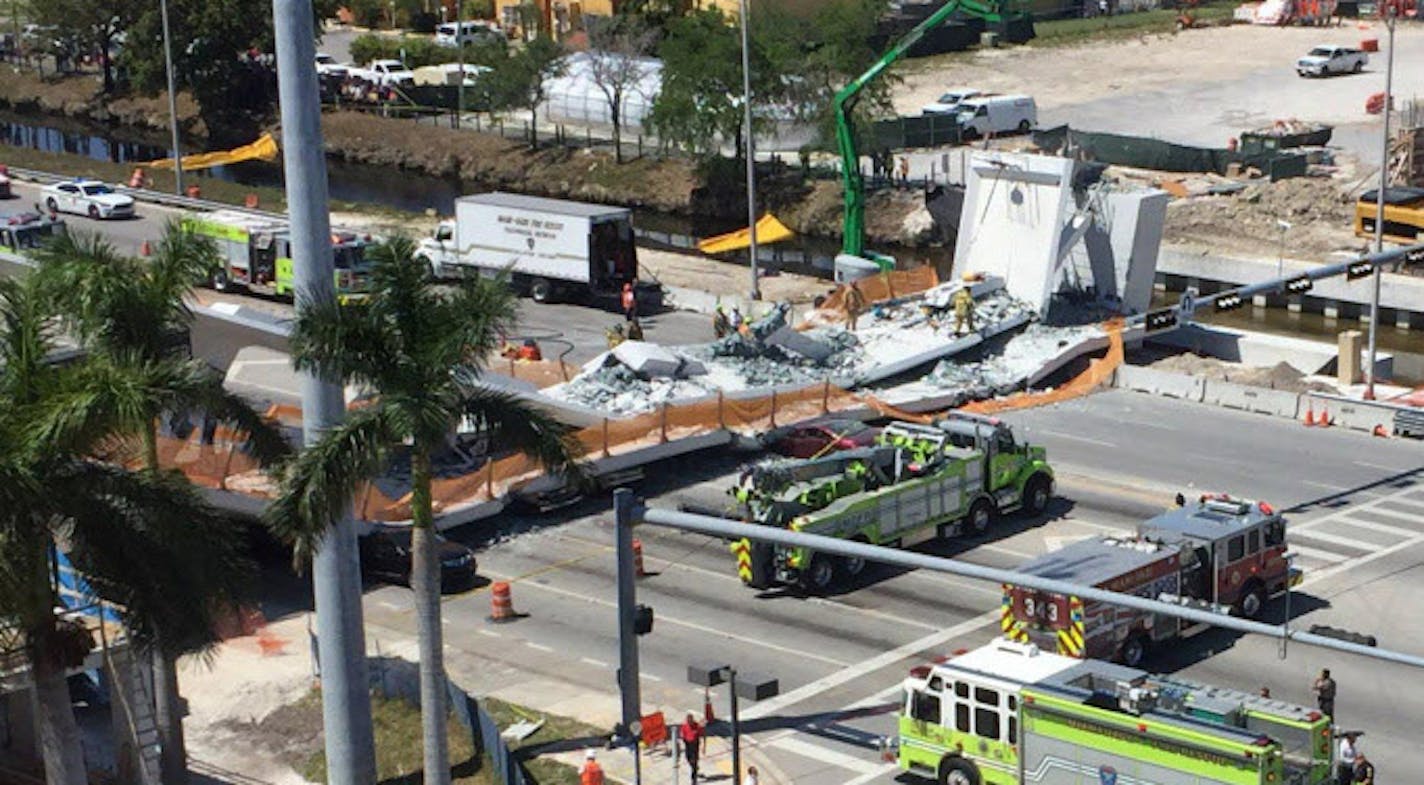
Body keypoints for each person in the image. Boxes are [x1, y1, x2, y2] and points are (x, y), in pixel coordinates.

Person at [680, 714, 703, 782]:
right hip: (688, 744)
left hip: (695, 745)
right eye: (688, 721)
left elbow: (701, 734)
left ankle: (694, 778)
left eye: (691, 721)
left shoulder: (697, 726)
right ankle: (694, 767)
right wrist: (683, 739)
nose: (690, 722)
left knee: (694, 760)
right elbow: (682, 734)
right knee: (688, 757)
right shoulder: (685, 726)